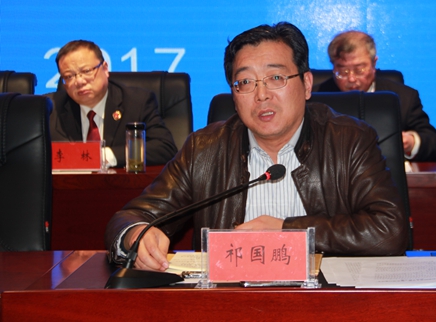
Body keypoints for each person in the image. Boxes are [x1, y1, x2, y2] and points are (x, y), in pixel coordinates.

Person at [105, 22, 408, 271]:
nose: (261, 95)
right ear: (234, 95)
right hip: (230, 305)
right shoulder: (204, 150)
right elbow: (130, 218)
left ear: (306, 84)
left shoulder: (350, 140)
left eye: (275, 77)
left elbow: (390, 230)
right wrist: (136, 234)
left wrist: (288, 231)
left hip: (324, 305)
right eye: (246, 83)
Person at [317, 30, 436, 162]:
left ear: (374, 63)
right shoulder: (316, 97)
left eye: (359, 70)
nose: (351, 78)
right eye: (343, 71)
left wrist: (411, 142)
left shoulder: (404, 97)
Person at [48, 40, 178, 167]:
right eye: (69, 76)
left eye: (86, 71)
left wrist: (104, 156)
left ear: (105, 69)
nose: (79, 81)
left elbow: (165, 148)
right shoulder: (49, 109)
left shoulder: (137, 102)